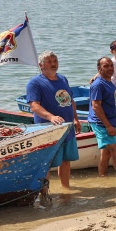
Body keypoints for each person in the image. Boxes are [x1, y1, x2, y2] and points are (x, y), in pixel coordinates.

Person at [26, 51, 82, 189]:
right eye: (49, 61)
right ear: (41, 65)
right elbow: (34, 106)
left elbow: (70, 100)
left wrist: (76, 119)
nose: (53, 64)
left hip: (67, 128)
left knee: (66, 160)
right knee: (46, 163)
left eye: (55, 61)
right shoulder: (35, 83)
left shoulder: (63, 79)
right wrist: (51, 117)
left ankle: (66, 189)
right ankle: (44, 192)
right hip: (48, 130)